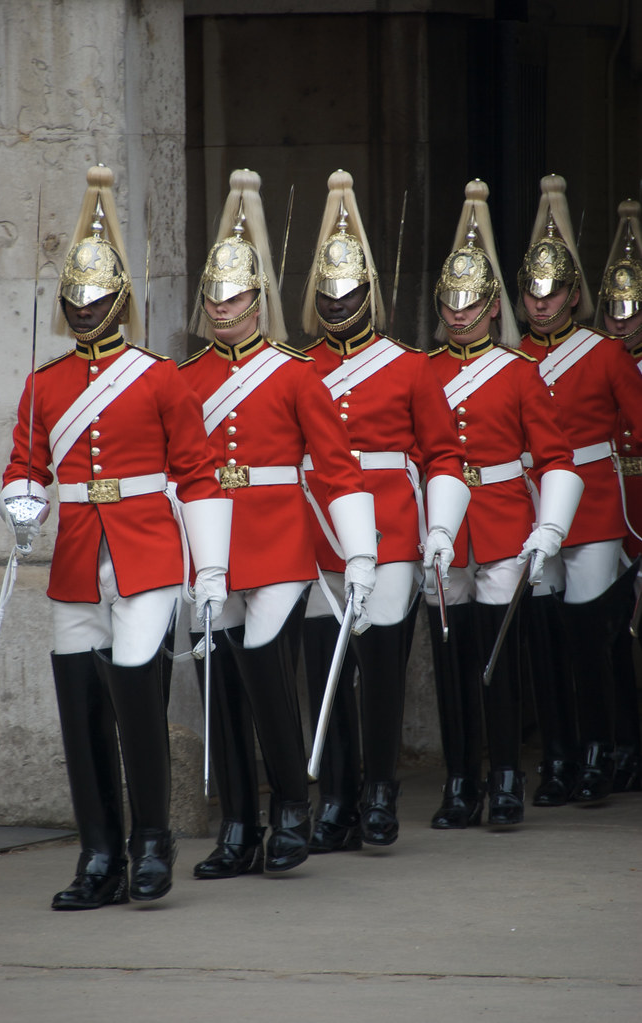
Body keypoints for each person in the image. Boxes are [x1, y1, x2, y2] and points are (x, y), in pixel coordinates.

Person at [0, 166, 231, 910]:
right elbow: (25, 464)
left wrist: (211, 565)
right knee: (79, 703)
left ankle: (150, 840)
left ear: (121, 300)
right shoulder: (45, 385)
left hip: (146, 551)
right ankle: (97, 848)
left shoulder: (160, 377)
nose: (86, 310)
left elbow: (196, 474)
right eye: (76, 299)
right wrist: (22, 500)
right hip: (76, 556)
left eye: (97, 299)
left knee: (134, 691)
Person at [180, 169, 378, 878]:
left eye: (235, 298)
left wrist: (358, 553)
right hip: (212, 542)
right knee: (221, 686)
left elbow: (335, 467)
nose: (223, 308)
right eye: (214, 298)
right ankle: (236, 824)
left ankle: (290, 809)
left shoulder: (295, 374)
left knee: (267, 673)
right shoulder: (187, 377)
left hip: (279, 541)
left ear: (257, 300)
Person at [299, 170, 470, 851]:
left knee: (376, 669)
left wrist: (437, 527)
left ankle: (377, 790)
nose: (338, 306)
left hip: (391, 529)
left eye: (349, 294)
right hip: (318, 532)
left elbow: (443, 455)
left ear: (370, 293)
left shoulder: (408, 366)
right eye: (328, 295)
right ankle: (333, 797)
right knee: (324, 667)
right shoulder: (298, 365)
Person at [427, 179, 582, 828]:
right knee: (450, 661)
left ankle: (506, 776)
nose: (459, 313)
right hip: (441, 529)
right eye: (450, 303)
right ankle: (460, 778)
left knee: (497, 660)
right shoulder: (423, 369)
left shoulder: (519, 373)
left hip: (498, 526)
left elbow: (554, 457)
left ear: (494, 308)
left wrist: (548, 527)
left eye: (471, 304)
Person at [518, 174, 642, 804]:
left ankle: (597, 750)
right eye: (533, 293)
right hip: (530, 504)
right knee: (543, 637)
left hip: (592, 503)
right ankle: (557, 759)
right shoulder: (512, 360)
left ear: (573, 295)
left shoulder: (604, 354)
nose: (542, 304)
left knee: (590, 631)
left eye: (553, 292)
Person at [595, 198, 642, 791]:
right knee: (609, 635)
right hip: (610, 507)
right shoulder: (598, 361)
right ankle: (620, 743)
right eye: (613, 310)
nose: (621, 321)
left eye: (631, 310)